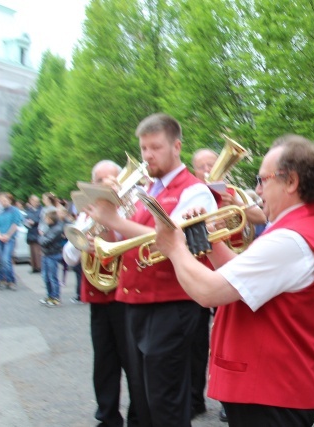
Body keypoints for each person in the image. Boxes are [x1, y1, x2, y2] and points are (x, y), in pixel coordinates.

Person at [153, 135, 314, 426]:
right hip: (272, 388)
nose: (257, 189)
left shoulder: (290, 239)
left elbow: (209, 291)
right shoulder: (293, 229)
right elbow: (240, 277)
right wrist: (207, 241)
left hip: (272, 391)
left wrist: (173, 247)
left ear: (291, 182)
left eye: (263, 180)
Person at [85, 113, 217, 427]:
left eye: (155, 147)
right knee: (143, 402)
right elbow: (121, 240)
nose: (147, 156)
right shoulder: (146, 190)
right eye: (144, 148)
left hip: (171, 304)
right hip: (134, 304)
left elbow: (171, 239)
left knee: (166, 402)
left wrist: (115, 219)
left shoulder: (194, 190)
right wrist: (105, 222)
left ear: (176, 147)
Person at [190, 147, 268, 422]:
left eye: (214, 164)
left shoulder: (234, 192)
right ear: (195, 171)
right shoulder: (195, 194)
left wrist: (234, 203)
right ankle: (204, 395)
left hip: (237, 265)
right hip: (206, 269)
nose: (209, 170)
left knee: (235, 335)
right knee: (206, 338)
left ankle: (231, 397)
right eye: (203, 167)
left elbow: (261, 217)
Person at [63, 159, 137, 427]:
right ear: (93, 185)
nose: (106, 184)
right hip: (98, 299)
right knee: (104, 362)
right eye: (101, 180)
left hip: (126, 297)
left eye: (112, 179)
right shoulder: (85, 214)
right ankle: (107, 416)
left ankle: (138, 416)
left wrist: (114, 236)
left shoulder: (130, 211)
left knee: (132, 362)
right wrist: (84, 246)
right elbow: (68, 257)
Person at [38, 207, 65, 306]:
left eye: (46, 218)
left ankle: (56, 297)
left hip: (52, 254)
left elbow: (45, 241)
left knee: (52, 277)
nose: (45, 220)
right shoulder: (50, 227)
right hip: (46, 254)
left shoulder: (57, 229)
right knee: (46, 277)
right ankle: (50, 296)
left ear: (51, 219)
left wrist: (41, 238)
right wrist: (42, 238)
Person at [0, 192, 23, 290]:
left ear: (10, 200)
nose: (3, 202)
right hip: (0, 238)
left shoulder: (14, 210)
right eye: (2, 200)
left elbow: (15, 224)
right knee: (1, 261)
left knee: (6, 259)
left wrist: (8, 235)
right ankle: (5, 280)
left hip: (9, 238)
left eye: (5, 200)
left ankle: (11, 280)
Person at [25, 194, 42, 273]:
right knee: (32, 251)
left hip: (37, 231)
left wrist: (34, 222)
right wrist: (27, 222)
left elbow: (41, 219)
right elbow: (25, 218)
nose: (35, 202)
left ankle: (39, 267)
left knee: (37, 250)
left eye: (36, 201)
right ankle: (34, 266)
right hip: (30, 231)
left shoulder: (41, 209)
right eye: (34, 201)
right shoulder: (28, 209)